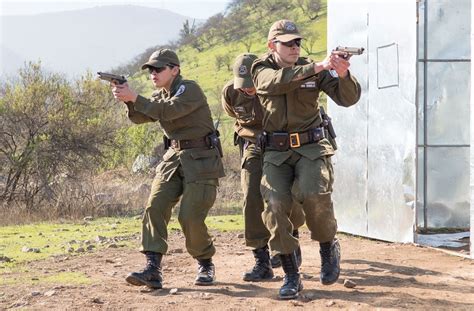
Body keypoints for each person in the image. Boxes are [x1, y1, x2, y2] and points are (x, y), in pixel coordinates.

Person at [251, 20, 361, 299]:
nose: (294, 47)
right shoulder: (261, 68)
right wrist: (318, 67)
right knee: (275, 205)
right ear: (271, 46)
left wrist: (344, 74)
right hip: (276, 152)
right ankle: (291, 274)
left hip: (311, 147)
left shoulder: (316, 68)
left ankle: (328, 246)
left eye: (297, 42)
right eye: (287, 43)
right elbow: (273, 84)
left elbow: (348, 99)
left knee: (315, 194)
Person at [112, 48, 225, 289]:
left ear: (175, 70)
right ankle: (153, 268)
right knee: (155, 206)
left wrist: (135, 97)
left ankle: (205, 262)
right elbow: (141, 117)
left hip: (202, 159)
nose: (153, 73)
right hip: (174, 158)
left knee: (190, 217)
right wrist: (127, 100)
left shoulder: (189, 89)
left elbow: (170, 111)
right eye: (150, 69)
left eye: (159, 68)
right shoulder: (160, 95)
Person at [221, 54, 305, 281]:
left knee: (285, 195)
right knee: (251, 196)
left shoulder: (277, 87)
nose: (248, 91)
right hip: (254, 146)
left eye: (252, 86)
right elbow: (235, 116)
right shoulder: (231, 92)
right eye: (243, 86)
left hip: (280, 145)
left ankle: (290, 238)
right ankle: (261, 259)